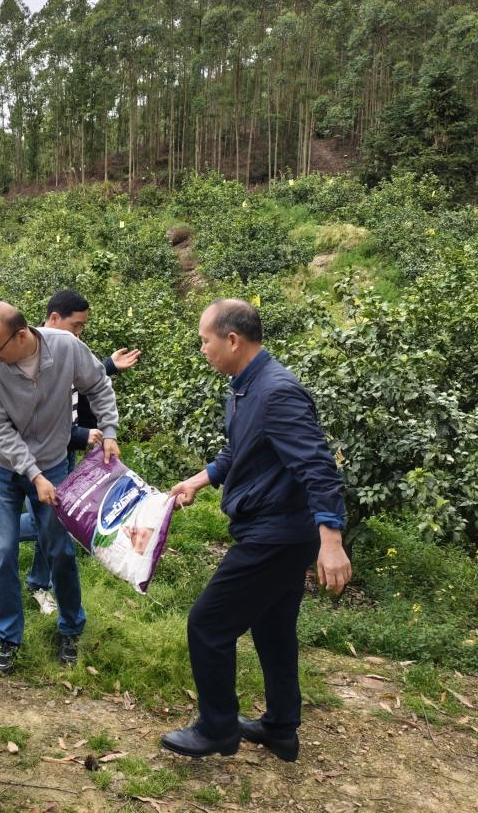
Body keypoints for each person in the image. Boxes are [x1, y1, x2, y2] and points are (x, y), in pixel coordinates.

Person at [159, 299, 351, 761]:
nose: (201, 348)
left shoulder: (276, 391)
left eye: (205, 340)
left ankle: (217, 728)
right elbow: (240, 452)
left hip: (278, 533)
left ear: (232, 340)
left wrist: (332, 540)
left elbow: (317, 467)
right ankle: (281, 728)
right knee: (273, 628)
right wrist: (199, 480)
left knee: (208, 623)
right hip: (273, 528)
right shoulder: (244, 387)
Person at [0, 301, 120, 677]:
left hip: (53, 463)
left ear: (21, 336)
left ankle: (71, 628)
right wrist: (32, 474)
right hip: (3, 468)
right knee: (3, 551)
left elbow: (99, 385)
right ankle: (8, 638)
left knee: (59, 549)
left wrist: (110, 433)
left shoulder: (66, 347)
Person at [5, 289, 141, 616]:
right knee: (52, 522)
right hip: (40, 457)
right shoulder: (27, 357)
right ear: (54, 319)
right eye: (76, 325)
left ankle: (34, 575)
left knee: (56, 522)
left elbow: (77, 385)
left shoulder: (65, 349)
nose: (80, 333)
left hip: (64, 451)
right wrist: (81, 436)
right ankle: (6, 542)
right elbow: (39, 419)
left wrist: (107, 366)